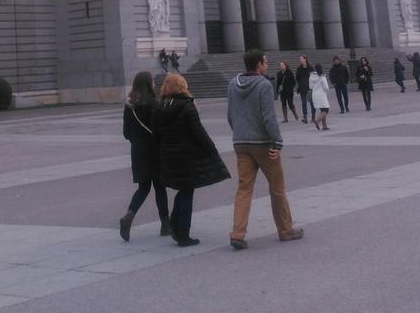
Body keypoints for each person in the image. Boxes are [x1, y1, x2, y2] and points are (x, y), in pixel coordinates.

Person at [227, 50, 304, 250]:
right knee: (277, 188)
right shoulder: (264, 85)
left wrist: (240, 132)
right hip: (262, 144)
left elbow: (230, 115)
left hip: (241, 143)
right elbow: (269, 118)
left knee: (244, 189)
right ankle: (286, 230)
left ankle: (238, 233)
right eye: (265, 62)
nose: (267, 65)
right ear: (259, 64)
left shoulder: (233, 84)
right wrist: (277, 143)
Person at [153, 73, 230, 247]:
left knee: (183, 190)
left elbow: (155, 135)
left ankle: (175, 225)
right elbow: (198, 132)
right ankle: (183, 234)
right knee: (187, 192)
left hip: (168, 156)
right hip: (187, 156)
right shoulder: (187, 106)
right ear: (182, 86)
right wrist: (212, 149)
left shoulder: (159, 108)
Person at [119, 71, 170, 241]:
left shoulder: (130, 106)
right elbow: (160, 130)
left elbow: (126, 133)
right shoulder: (154, 104)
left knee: (143, 188)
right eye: (152, 82)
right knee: (160, 188)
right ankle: (165, 225)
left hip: (138, 152)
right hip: (154, 151)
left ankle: (129, 216)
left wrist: (137, 140)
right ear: (148, 84)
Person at [309, 64, 331, 131]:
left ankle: (324, 126)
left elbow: (310, 87)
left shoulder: (311, 76)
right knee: (326, 110)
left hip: (314, 94)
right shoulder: (322, 77)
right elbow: (326, 87)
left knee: (322, 110)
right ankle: (317, 120)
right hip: (321, 94)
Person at [295, 55, 314, 123]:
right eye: (299, 59)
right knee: (304, 103)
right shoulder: (299, 69)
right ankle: (305, 117)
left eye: (301, 58)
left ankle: (313, 117)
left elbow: (314, 76)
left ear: (305, 59)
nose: (300, 60)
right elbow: (297, 78)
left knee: (312, 103)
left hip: (310, 88)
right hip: (302, 88)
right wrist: (300, 83)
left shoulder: (310, 68)